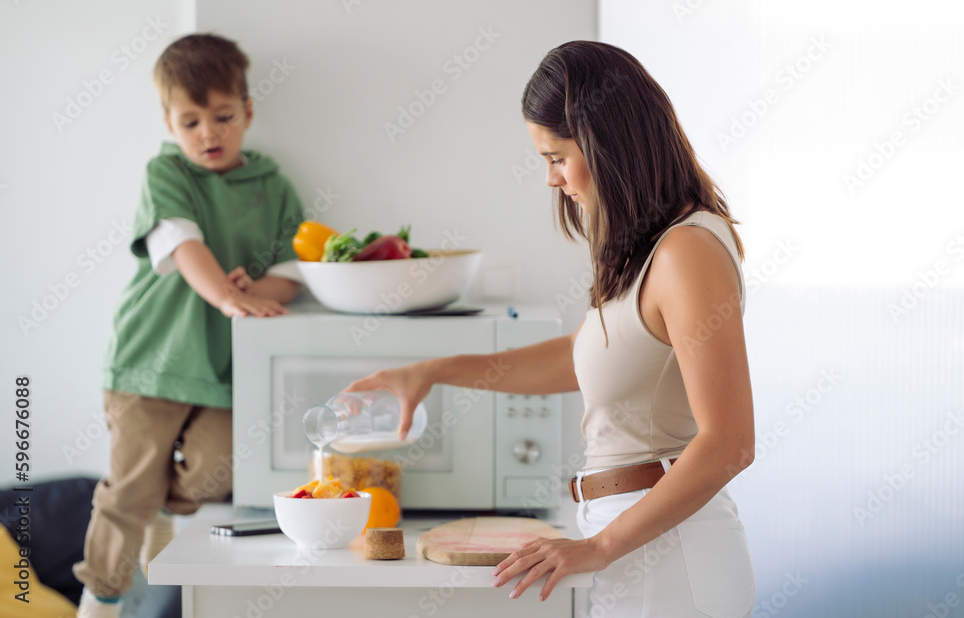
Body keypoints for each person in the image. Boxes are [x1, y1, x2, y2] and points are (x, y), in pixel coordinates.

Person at [346, 41, 756, 617]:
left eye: (556, 156)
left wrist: (600, 547)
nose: (550, 178)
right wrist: (433, 372)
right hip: (636, 542)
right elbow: (581, 359)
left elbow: (730, 443)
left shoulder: (687, 251)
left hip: (671, 555)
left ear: (607, 143)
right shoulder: (648, 248)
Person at [73, 33, 304, 618]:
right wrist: (228, 296)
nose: (209, 133)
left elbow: (292, 272)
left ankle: (164, 511)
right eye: (191, 121)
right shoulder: (166, 173)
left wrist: (257, 291)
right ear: (169, 123)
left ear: (247, 112)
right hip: (152, 360)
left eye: (223, 117)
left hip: (225, 370)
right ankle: (99, 600)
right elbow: (183, 247)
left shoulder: (274, 188)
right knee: (127, 492)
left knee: (216, 468)